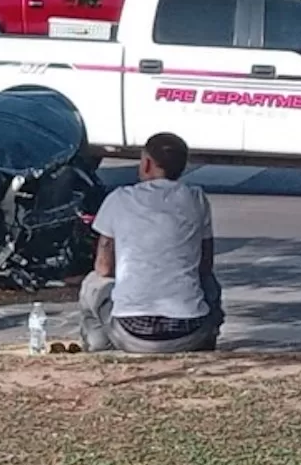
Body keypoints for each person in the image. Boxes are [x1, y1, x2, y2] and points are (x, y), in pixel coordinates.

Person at [79, 132, 224, 353]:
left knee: (92, 283)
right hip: (189, 332)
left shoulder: (119, 198)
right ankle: (208, 340)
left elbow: (104, 267)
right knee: (208, 282)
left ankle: (99, 345)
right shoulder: (196, 199)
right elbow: (205, 265)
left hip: (130, 333)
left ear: (146, 163)